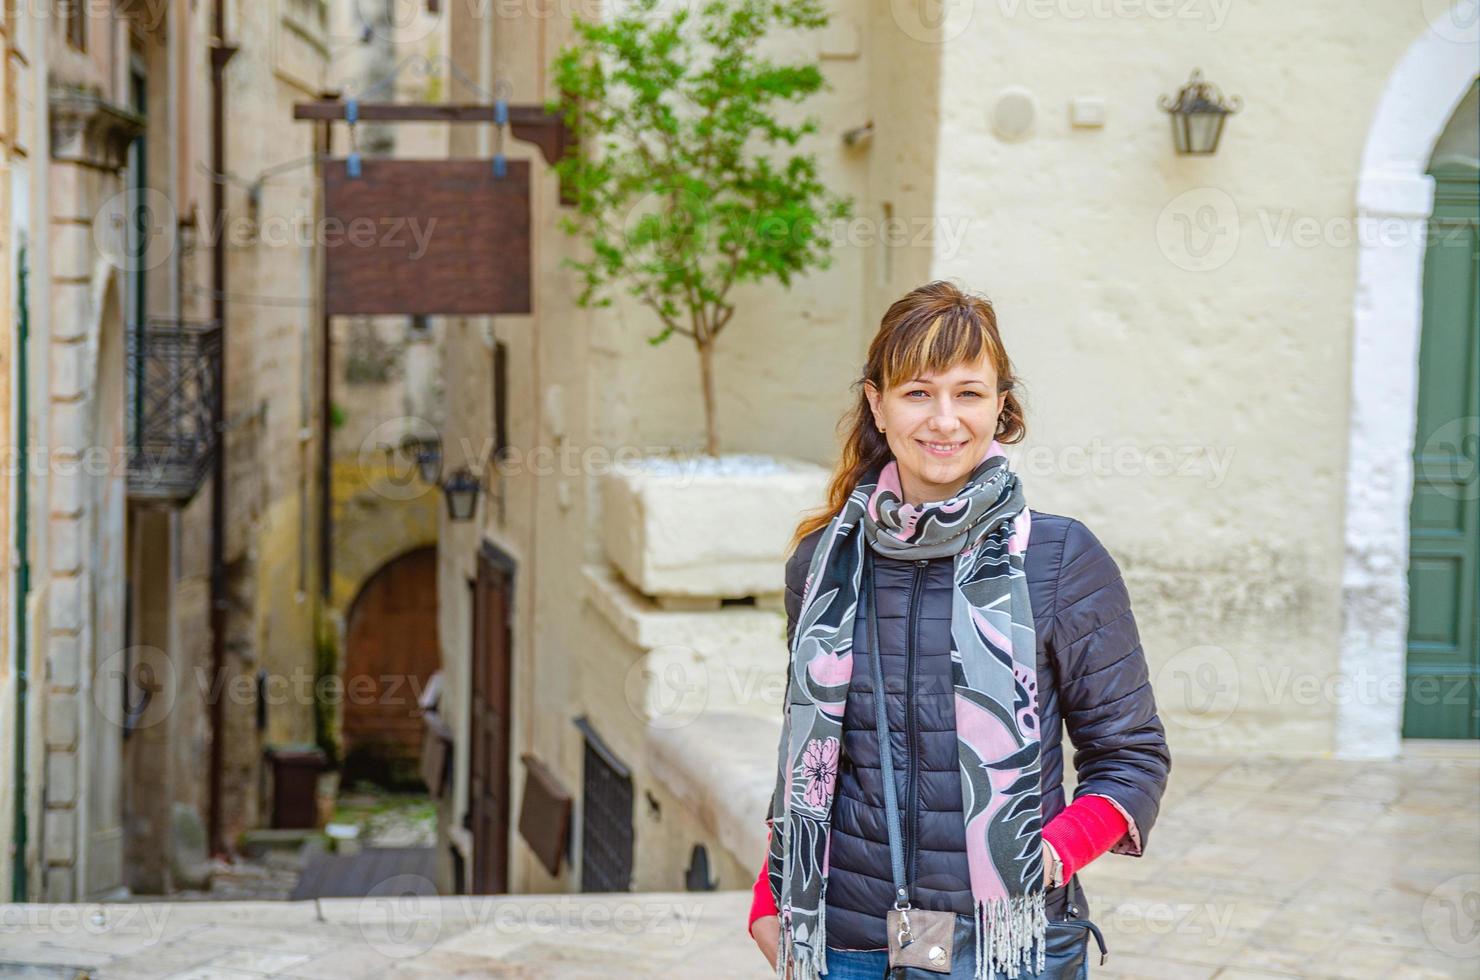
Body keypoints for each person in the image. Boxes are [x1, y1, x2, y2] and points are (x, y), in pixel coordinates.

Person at [747, 281, 1171, 980]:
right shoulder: (823, 564)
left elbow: (1130, 758)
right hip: (848, 942)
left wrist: (1044, 859)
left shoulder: (1061, 560)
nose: (944, 419)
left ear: (1000, 407)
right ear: (877, 405)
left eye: (968, 394)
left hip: (1005, 946)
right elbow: (811, 754)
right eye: (918, 392)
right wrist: (770, 895)